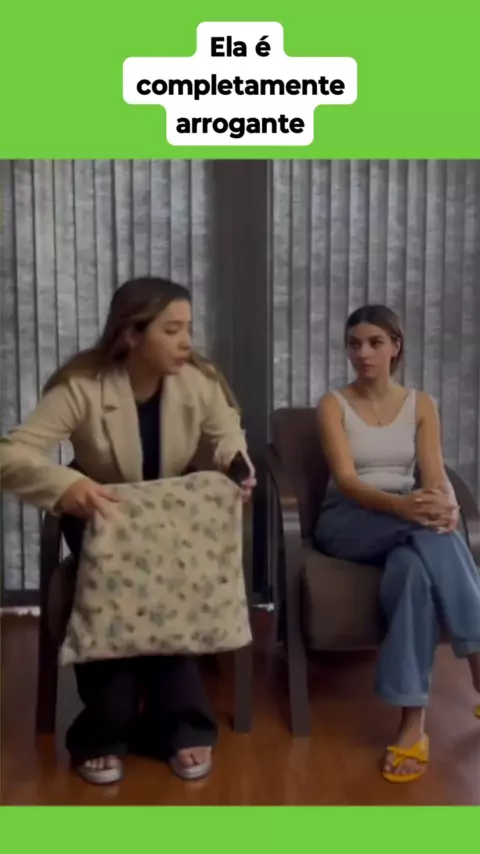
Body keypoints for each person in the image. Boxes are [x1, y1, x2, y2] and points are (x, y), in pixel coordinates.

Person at [0, 276, 256, 786]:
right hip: (102, 510)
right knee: (137, 588)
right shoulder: (80, 386)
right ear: (131, 334)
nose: (186, 342)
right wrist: (67, 485)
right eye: (172, 330)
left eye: (188, 328)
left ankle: (179, 725)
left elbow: (227, 432)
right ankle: (106, 730)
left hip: (167, 517)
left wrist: (237, 465)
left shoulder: (199, 380)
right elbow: (11, 455)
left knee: (165, 583)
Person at [314, 304, 480, 784]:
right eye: (354, 344)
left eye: (375, 343)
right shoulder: (333, 405)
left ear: (395, 347)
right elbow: (347, 481)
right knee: (428, 531)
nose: (363, 353)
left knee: (413, 572)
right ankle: (477, 658)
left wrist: (445, 505)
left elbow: (433, 474)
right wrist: (406, 510)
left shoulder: (421, 404)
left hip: (409, 517)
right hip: (348, 519)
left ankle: (412, 723)